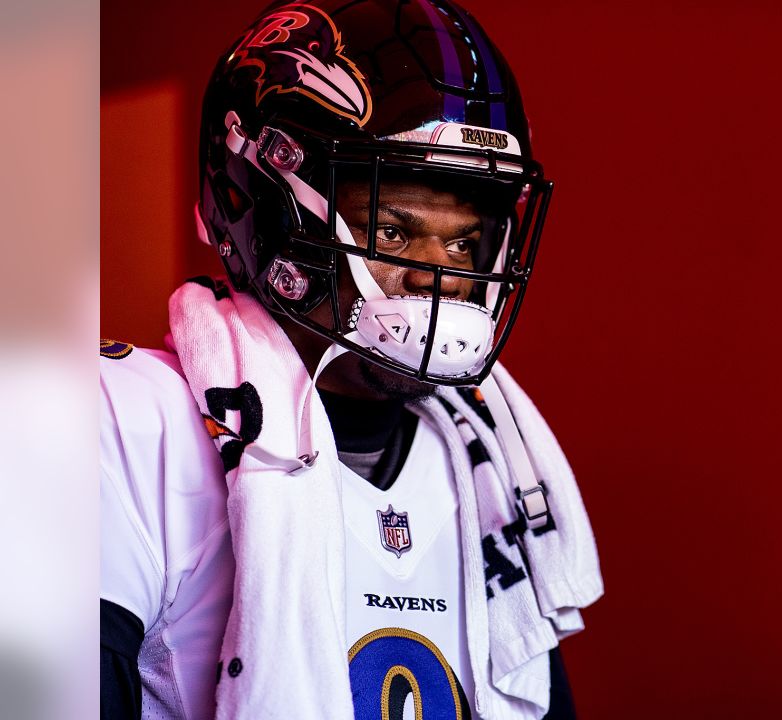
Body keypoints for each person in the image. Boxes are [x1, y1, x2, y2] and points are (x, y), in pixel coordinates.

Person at [99, 1, 602, 718]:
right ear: (267, 215)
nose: (441, 274)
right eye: (394, 230)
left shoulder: (493, 461)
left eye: (463, 244)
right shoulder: (129, 423)